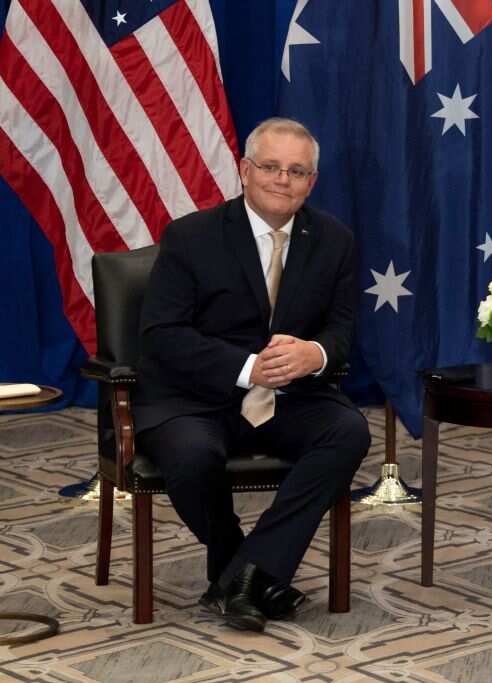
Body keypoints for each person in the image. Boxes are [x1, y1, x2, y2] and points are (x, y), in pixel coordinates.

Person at [134, 117, 370, 632]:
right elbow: (160, 335)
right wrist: (246, 367)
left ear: (312, 181)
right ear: (244, 171)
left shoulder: (335, 240)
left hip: (290, 396)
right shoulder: (191, 236)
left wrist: (316, 354)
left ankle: (243, 576)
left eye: (297, 171)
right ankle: (241, 563)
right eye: (270, 167)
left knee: (348, 431)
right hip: (195, 397)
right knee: (194, 455)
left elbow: (343, 330)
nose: (282, 180)